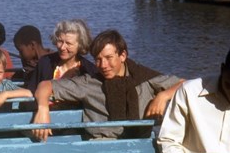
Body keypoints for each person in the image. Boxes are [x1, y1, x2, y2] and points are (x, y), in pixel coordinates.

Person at [33, 29, 183, 141]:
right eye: (98, 59)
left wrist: (163, 96)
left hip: (139, 145)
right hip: (100, 147)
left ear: (123, 55)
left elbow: (186, 84)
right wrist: (42, 108)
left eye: (109, 58)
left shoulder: (144, 78)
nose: (103, 65)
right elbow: (45, 86)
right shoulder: (89, 82)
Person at [26, 19, 96, 95]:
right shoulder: (45, 63)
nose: (62, 47)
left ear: (80, 45)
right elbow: (31, 91)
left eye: (68, 43)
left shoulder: (89, 70)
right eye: (60, 41)